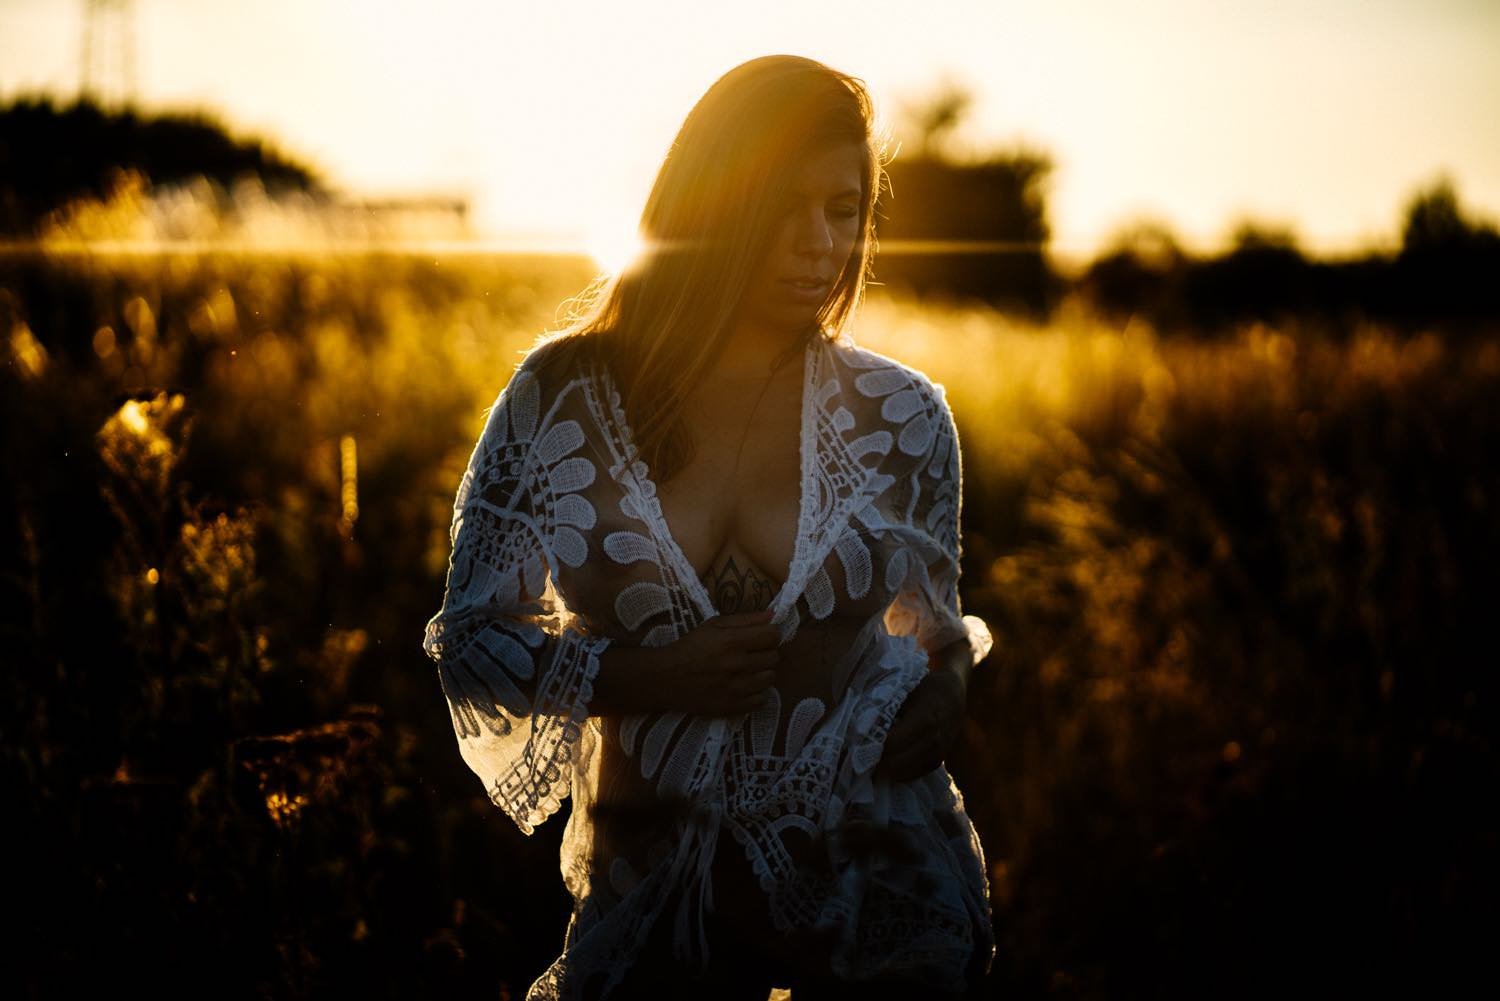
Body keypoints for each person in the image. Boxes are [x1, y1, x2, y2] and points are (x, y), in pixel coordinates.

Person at [421, 54, 995, 1001]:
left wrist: (953, 688)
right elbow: (474, 641)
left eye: (843, 210)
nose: (819, 243)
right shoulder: (560, 398)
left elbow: (937, 628)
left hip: (873, 891)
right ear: (713, 199)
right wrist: (651, 676)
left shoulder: (903, 418)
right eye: (783, 205)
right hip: (650, 896)